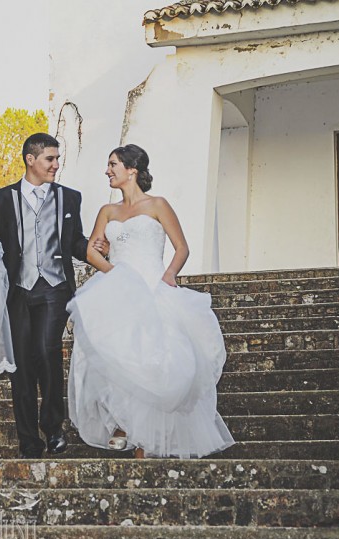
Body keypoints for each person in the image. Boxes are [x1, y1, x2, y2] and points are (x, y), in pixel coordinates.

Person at [67, 144, 235, 459]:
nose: (107, 170)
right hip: (118, 286)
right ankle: (122, 423)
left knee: (152, 359)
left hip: (153, 284)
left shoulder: (158, 205)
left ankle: (148, 437)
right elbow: (91, 251)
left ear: (132, 169)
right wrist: (113, 272)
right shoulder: (107, 211)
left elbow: (181, 247)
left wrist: (170, 275)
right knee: (116, 355)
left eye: (112, 164)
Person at [0, 133, 107, 458]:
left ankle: (53, 428)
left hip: (55, 287)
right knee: (21, 364)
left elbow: (75, 241)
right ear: (31, 159)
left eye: (56, 158)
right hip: (17, 291)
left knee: (46, 349)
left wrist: (93, 249)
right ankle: (28, 440)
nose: (56, 164)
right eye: (50, 159)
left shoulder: (70, 198)